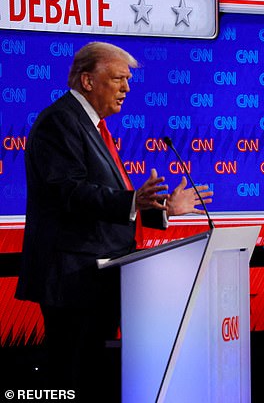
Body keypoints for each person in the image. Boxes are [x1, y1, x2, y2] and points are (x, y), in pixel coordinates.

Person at [14, 41, 213, 402]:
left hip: (98, 277)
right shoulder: (59, 122)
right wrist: (133, 200)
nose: (127, 88)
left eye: (128, 80)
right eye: (119, 79)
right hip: (72, 278)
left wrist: (163, 208)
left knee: (93, 376)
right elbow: (70, 193)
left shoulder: (90, 125)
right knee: (71, 379)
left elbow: (108, 204)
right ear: (88, 81)